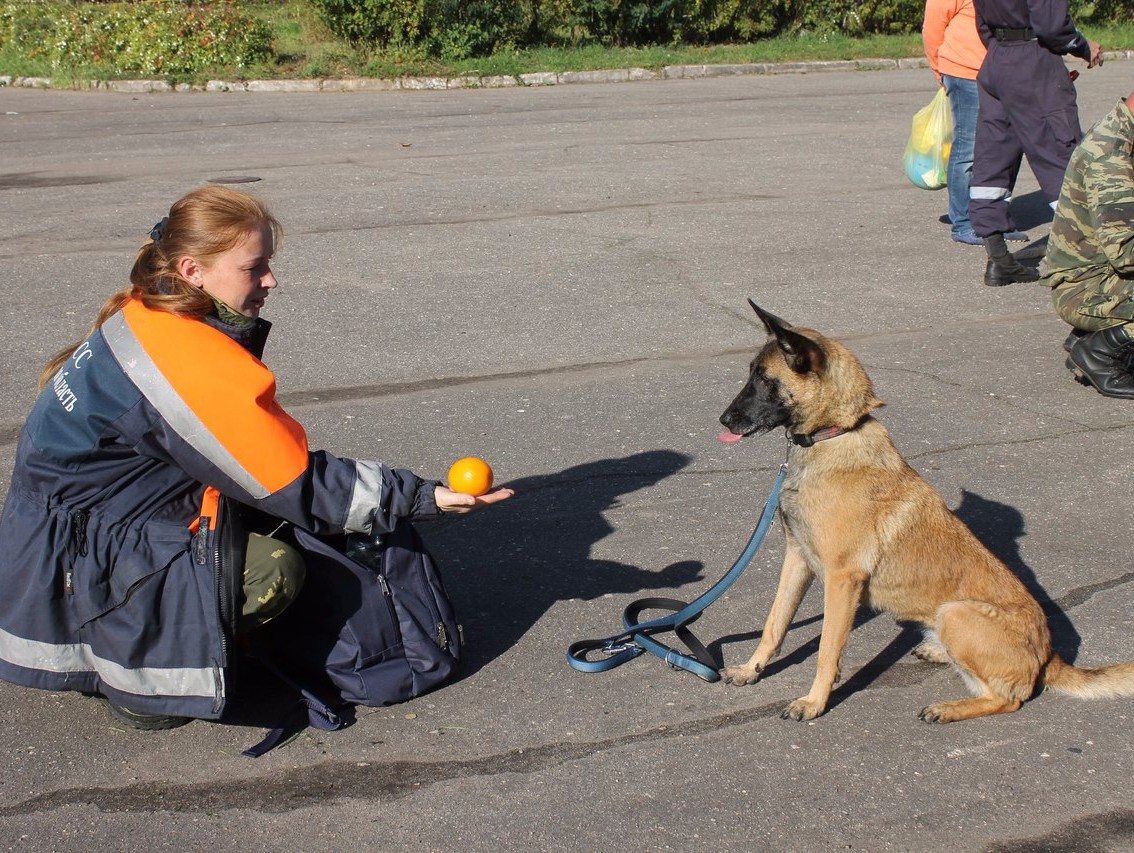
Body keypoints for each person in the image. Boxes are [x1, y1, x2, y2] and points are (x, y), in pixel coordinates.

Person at [0, 186, 513, 729]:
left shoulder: (151, 309)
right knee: (274, 570)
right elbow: (295, 482)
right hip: (82, 563)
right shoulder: (185, 356)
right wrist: (419, 496)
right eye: (255, 268)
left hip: (61, 538)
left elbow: (258, 456)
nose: (271, 281)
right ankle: (142, 674)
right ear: (193, 269)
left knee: (266, 523)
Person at [969, 0, 1102, 285]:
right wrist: (1083, 46)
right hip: (1034, 61)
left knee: (992, 160)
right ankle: (1084, 264)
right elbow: (1052, 26)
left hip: (996, 61)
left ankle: (998, 259)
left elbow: (982, 24)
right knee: (1061, 156)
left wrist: (1003, 52)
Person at [1042, 86, 1134, 398]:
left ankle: (1095, 335)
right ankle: (1101, 353)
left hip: (1099, 275)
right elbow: (1126, 253)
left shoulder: (1123, 129)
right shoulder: (1112, 158)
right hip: (1085, 289)